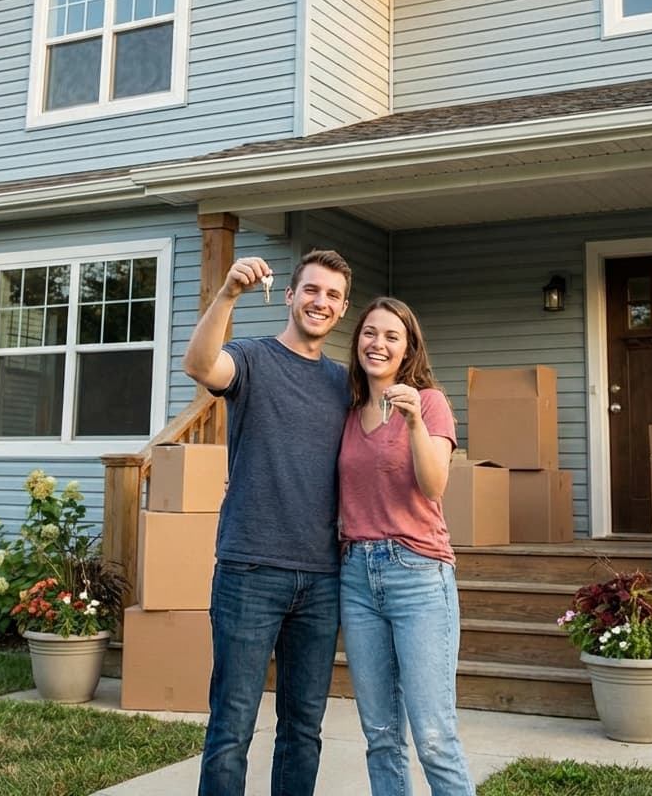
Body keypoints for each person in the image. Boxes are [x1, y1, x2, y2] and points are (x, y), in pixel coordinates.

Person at [182, 248, 352, 796]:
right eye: (311, 290)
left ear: (343, 309)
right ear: (290, 295)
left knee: (303, 730)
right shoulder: (251, 358)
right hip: (250, 570)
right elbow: (200, 365)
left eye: (331, 295)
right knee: (231, 726)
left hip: (323, 578)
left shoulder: (345, 385)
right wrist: (227, 293)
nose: (319, 302)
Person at [338, 297, 475, 796]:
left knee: (434, 736)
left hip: (417, 573)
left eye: (392, 336)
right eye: (369, 333)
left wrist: (414, 421)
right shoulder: (349, 410)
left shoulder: (430, 402)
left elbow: (434, 485)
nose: (378, 343)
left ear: (408, 348)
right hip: (355, 576)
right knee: (379, 734)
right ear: (357, 342)